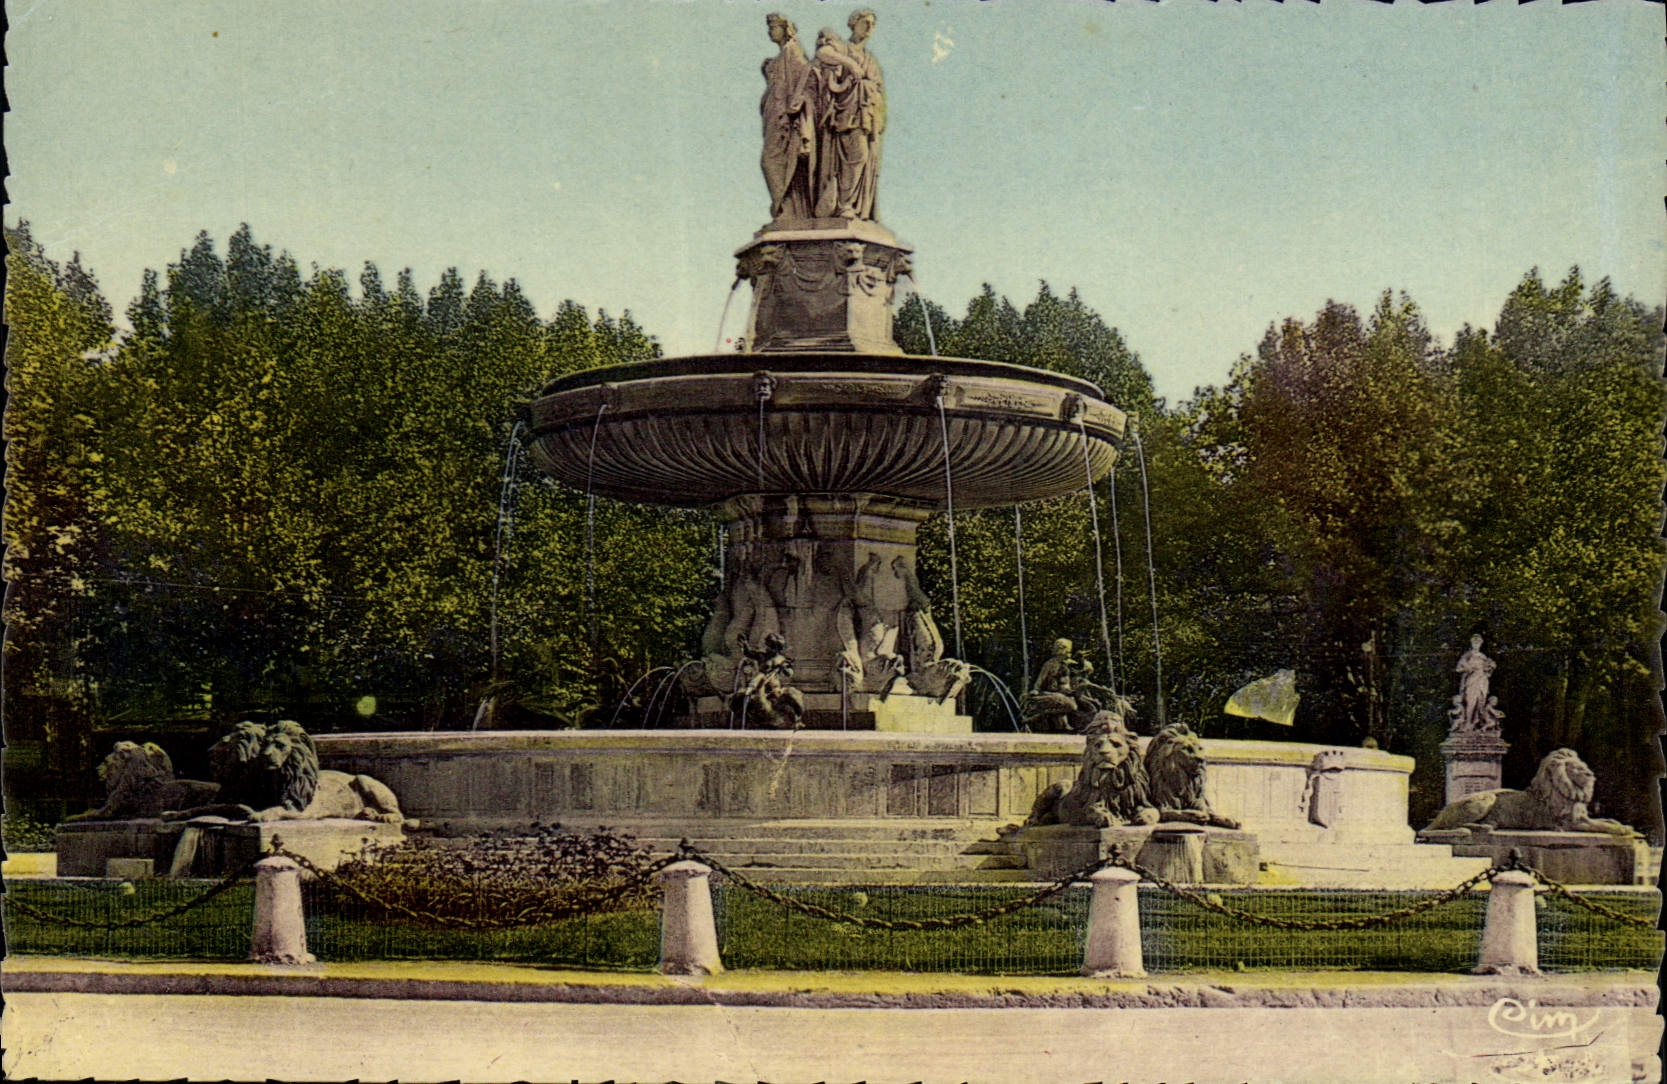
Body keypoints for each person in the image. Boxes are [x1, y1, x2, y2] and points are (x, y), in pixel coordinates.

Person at [813, 11, 884, 220]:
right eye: (865, 23)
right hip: (847, 113)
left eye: (872, 24)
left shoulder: (870, 59)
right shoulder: (843, 47)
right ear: (853, 24)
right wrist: (850, 64)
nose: (869, 27)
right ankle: (844, 205)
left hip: (867, 115)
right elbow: (822, 53)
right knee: (856, 155)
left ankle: (856, 206)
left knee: (866, 160)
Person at [759, 14, 818, 224]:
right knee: (772, 161)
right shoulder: (782, 55)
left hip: (786, 121)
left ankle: (786, 210)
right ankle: (785, 210)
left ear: (786, 29)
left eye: (774, 27)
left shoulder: (792, 51)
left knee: (770, 161)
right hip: (774, 119)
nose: (770, 31)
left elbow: (806, 76)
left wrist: (797, 108)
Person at [1454, 634, 1495, 731]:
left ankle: (1476, 722)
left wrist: (1491, 668)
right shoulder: (1468, 655)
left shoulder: (1483, 656)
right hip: (1471, 680)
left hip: (1482, 680)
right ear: (1472, 643)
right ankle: (1468, 722)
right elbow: (1458, 669)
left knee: (1480, 702)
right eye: (1475, 642)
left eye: (1478, 642)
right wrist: (1468, 668)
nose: (1477, 644)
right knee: (1471, 701)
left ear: (1481, 644)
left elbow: (1488, 672)